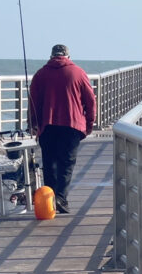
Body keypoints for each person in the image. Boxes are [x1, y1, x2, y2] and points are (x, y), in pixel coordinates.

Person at [29, 44, 96, 213]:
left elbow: (33, 102)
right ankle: (61, 198)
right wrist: (89, 124)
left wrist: (32, 124)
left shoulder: (41, 74)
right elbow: (91, 101)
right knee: (66, 163)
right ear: (68, 56)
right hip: (72, 125)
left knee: (49, 163)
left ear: (51, 56)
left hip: (48, 125)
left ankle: (49, 200)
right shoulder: (78, 72)